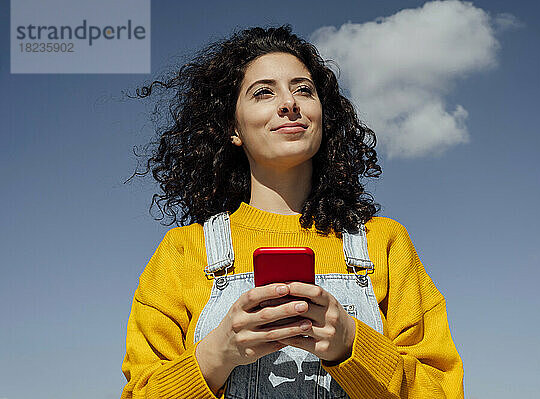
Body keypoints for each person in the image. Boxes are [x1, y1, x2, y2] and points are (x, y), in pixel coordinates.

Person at [121, 25, 464, 399]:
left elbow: (443, 390)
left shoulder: (384, 242)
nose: (289, 103)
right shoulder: (183, 251)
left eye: (304, 90)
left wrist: (352, 343)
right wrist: (217, 355)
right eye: (264, 92)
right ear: (233, 128)